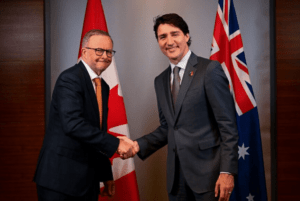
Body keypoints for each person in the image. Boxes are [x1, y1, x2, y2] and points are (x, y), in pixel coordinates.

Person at [120, 13, 239, 201]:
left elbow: (228, 126)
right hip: (176, 180)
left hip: (210, 178)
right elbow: (168, 128)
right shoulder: (160, 81)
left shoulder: (209, 70)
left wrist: (227, 171)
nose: (169, 41)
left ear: (186, 36)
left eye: (174, 34)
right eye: (162, 37)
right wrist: (137, 145)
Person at [34, 29, 134, 201]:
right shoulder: (70, 79)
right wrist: (116, 143)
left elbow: (96, 133)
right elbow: (73, 124)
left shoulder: (103, 87)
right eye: (99, 50)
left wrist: (106, 173)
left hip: (87, 181)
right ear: (84, 51)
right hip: (59, 180)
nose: (105, 55)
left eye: (109, 52)